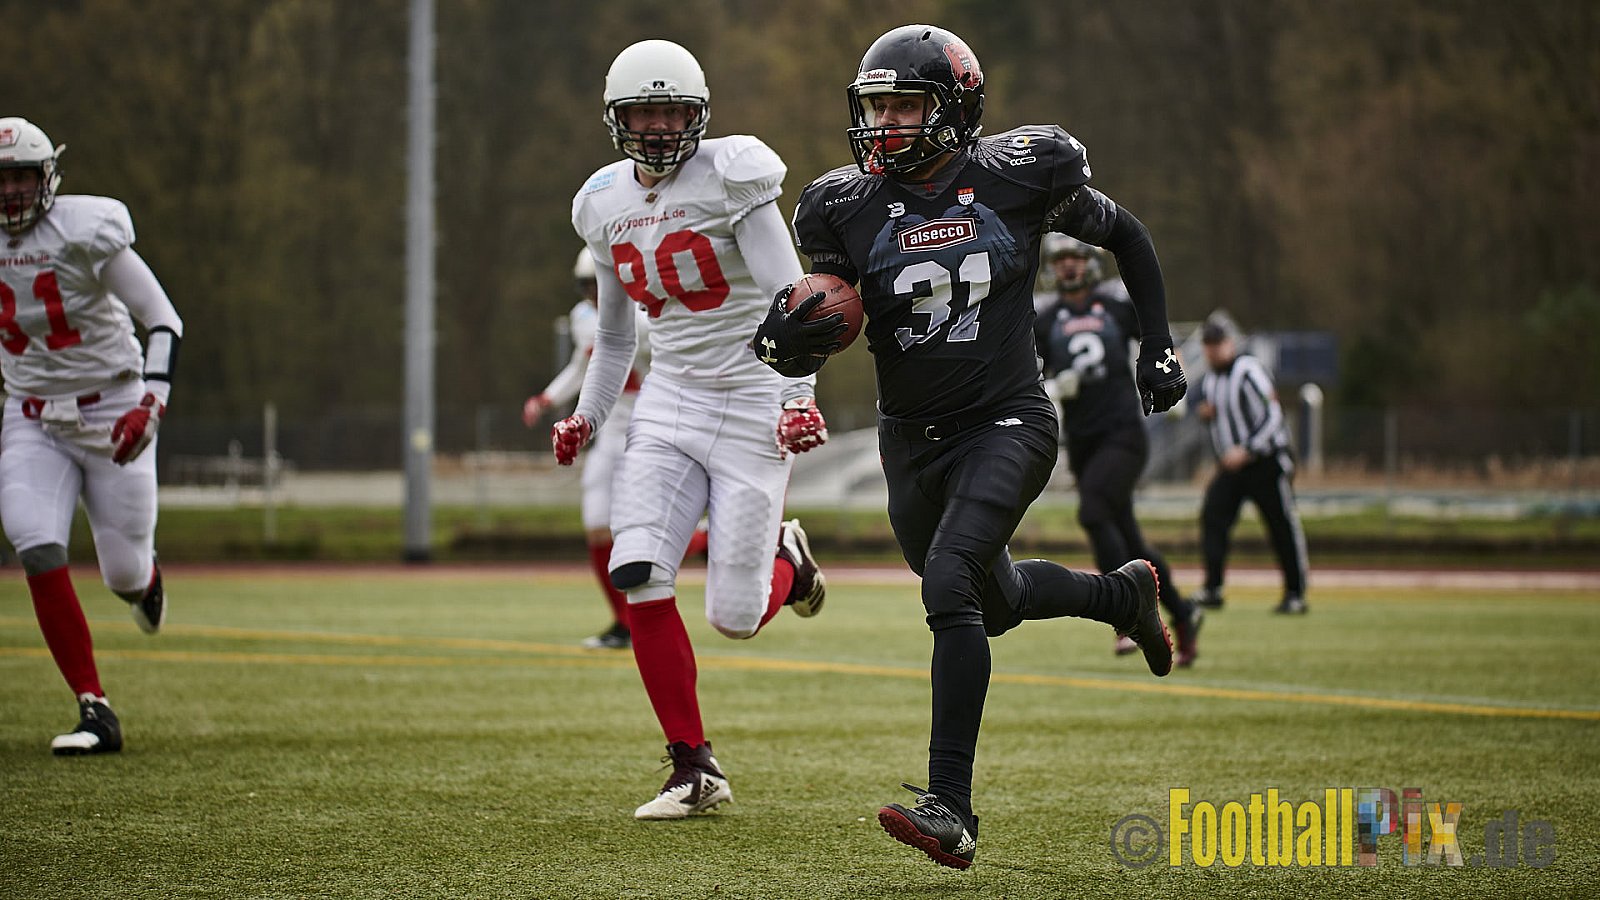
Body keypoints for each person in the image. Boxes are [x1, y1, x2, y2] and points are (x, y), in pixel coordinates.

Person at [755, 24, 1188, 869]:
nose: (883, 123)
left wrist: (1158, 346)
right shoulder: (839, 204)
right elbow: (829, 313)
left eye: (903, 106)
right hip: (909, 442)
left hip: (1007, 422)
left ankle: (950, 806)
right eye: (875, 107)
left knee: (950, 580)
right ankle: (1123, 596)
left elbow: (1127, 236)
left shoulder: (1022, 173)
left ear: (954, 107)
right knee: (993, 603)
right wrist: (789, 344)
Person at [552, 39, 830, 820]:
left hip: (751, 395)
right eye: (645, 112)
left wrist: (798, 396)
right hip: (670, 398)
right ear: (618, 118)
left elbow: (793, 299)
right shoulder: (601, 202)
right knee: (637, 568)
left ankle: (789, 560)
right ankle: (693, 767)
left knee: (735, 618)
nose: (660, 127)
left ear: (698, 113)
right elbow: (615, 339)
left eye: (673, 111)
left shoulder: (733, 173)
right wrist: (587, 415)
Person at [0, 117, 181, 755]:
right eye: (1, 180)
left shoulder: (84, 227)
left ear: (47, 177)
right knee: (34, 542)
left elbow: (163, 319)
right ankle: (93, 706)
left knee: (122, 572)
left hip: (114, 406)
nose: (11, 192)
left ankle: (145, 581)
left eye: (22, 177)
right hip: (31, 415)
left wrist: (151, 403)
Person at [523, 249, 708, 650]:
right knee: (596, 525)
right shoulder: (583, 319)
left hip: (651, 427)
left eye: (598, 284)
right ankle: (623, 622)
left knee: (647, 533)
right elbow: (582, 366)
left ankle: (705, 541)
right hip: (609, 432)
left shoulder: (648, 317)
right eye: (587, 286)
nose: (595, 293)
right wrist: (548, 398)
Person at [1034, 234, 1203, 666]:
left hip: (1123, 433)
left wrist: (1173, 375)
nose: (1068, 266)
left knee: (1093, 512)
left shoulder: (1114, 305)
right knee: (1129, 538)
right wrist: (1051, 388)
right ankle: (1182, 612)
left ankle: (1124, 613)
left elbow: (1159, 336)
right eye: (1060, 259)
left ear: (1089, 261)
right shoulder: (1044, 318)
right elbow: (1026, 374)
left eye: (1074, 257)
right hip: (1083, 440)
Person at [1194, 312, 1308, 614]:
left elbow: (1273, 417)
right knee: (1213, 516)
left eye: (1217, 343)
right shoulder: (1211, 380)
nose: (1212, 350)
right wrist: (1208, 416)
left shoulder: (1248, 371)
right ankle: (1213, 588)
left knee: (1281, 524)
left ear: (1230, 343)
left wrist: (1247, 449)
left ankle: (1295, 593)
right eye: (1208, 344)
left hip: (1264, 461)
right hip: (1232, 467)